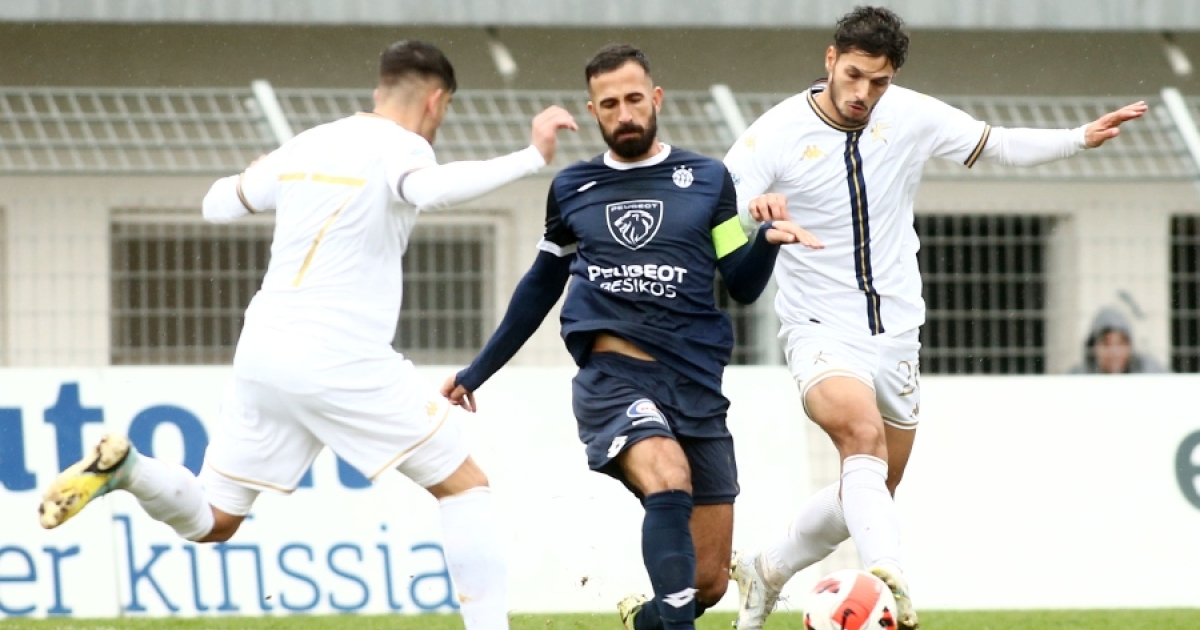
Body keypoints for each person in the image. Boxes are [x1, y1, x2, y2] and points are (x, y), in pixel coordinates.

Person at [37, 40, 577, 630]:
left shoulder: (307, 144)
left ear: (378, 89)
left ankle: (130, 471)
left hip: (263, 350)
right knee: (465, 486)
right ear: (436, 99)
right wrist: (531, 156)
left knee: (214, 519)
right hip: (339, 357)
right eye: (444, 110)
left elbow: (217, 204)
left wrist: (262, 171)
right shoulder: (403, 147)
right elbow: (430, 190)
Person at [721, 7, 1147, 630]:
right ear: (830, 60)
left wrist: (1078, 137)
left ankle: (766, 571)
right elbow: (716, 216)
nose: (864, 92)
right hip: (818, 327)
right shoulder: (773, 135)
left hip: (897, 332)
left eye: (879, 81)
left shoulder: (909, 114)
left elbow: (996, 143)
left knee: (870, 489)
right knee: (860, 439)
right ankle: (888, 579)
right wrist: (753, 216)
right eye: (854, 75)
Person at [440, 44, 819, 630]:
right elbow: (540, 285)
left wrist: (766, 240)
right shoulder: (573, 187)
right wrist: (477, 371)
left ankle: (647, 621)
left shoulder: (708, 180)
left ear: (656, 99)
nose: (624, 113)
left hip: (695, 385)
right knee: (667, 473)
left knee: (708, 581)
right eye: (610, 103)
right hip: (615, 378)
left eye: (634, 99)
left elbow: (740, 283)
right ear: (593, 110)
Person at [1068, 306, 1168, 374]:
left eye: (1120, 343)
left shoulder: (1148, 371)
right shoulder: (1078, 378)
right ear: (1093, 347)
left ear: (1129, 346)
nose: (1113, 352)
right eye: (1106, 344)